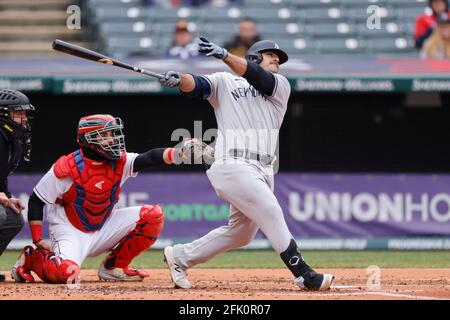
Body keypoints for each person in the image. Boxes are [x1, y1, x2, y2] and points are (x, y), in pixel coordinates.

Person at [158, 38, 334, 291]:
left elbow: (259, 78)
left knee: (241, 233)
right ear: (253, 57)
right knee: (271, 211)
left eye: (278, 57)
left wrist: (226, 55)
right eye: (270, 55)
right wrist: (179, 79)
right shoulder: (224, 80)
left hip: (263, 169)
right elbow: (196, 85)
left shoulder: (280, 85)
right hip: (232, 163)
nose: (276, 60)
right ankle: (303, 273)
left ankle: (181, 256)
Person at [10, 114, 205, 284]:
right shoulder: (67, 167)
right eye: (105, 135)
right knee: (66, 274)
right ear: (89, 138)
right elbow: (37, 200)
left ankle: (113, 267)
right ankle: (31, 258)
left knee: (153, 215)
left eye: (113, 134)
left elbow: (149, 158)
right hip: (70, 230)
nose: (112, 140)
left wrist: (179, 152)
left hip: (104, 225)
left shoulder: (120, 161)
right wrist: (37, 240)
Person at [0, 89, 35, 282]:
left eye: (24, 113)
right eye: (18, 113)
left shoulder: (9, 139)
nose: (23, 118)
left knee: (14, 218)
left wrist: (6, 195)